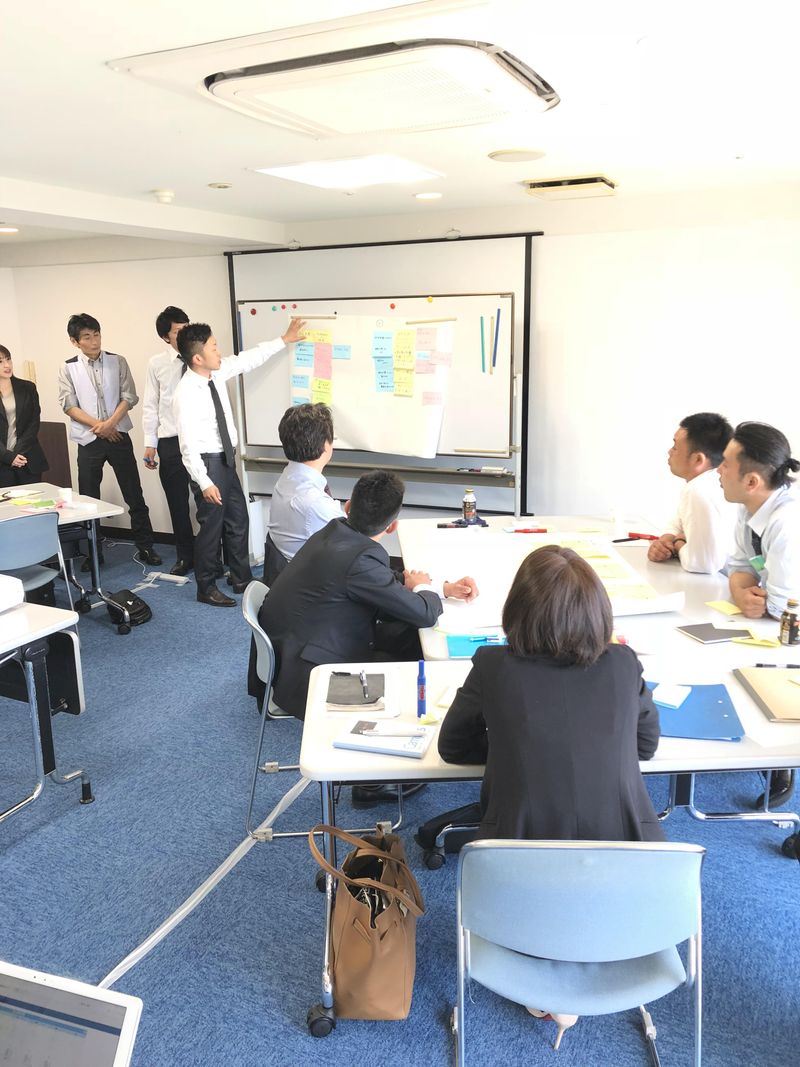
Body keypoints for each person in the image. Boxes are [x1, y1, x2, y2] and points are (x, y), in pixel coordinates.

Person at [437, 543, 663, 1050]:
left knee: (535, 869)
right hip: (632, 892)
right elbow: (646, 745)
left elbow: (453, 747)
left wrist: (512, 743)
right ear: (599, 613)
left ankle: (546, 975)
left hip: (516, 891)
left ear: (516, 611)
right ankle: (574, 972)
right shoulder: (624, 664)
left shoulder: (493, 666)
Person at [259, 469, 478, 718]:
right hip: (314, 674)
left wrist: (443, 588)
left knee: (409, 634)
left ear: (348, 507)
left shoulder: (334, 531)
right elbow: (425, 614)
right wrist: (422, 588)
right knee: (419, 647)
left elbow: (380, 579)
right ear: (393, 526)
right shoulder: (360, 560)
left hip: (299, 649)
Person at [173, 319, 306, 606]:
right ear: (198, 358)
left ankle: (241, 578)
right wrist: (204, 482)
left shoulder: (216, 373)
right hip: (207, 464)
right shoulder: (185, 393)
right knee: (211, 528)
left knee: (238, 519)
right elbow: (187, 446)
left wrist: (284, 339)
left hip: (226, 459)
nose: (219, 352)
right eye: (213, 347)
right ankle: (205, 587)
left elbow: (248, 358)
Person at [719, 421, 800, 808]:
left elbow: (785, 608)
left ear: (751, 481)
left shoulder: (787, 522)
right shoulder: (748, 508)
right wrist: (740, 592)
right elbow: (737, 568)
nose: (718, 470)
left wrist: (753, 596)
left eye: (725, 464)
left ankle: (784, 758)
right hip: (776, 619)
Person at [58, 313, 161, 566]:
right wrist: (101, 427)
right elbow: (69, 405)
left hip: (118, 436)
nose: (94, 341)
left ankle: (146, 547)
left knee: (134, 493)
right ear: (74, 341)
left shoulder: (118, 361)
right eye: (87, 337)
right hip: (88, 440)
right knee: (88, 499)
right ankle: (93, 554)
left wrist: (110, 424)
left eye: (97, 335)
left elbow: (130, 396)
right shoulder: (68, 367)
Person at [142, 306, 196, 576]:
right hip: (170, 440)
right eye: (178, 331)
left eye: (187, 328)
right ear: (166, 337)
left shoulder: (200, 357)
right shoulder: (157, 364)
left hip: (199, 439)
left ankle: (212, 556)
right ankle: (185, 556)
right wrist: (149, 443)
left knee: (208, 502)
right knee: (177, 503)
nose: (184, 334)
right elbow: (151, 404)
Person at [265, 402, 344, 584]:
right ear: (326, 445)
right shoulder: (314, 502)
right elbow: (355, 547)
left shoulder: (287, 477)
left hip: (287, 577)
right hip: (311, 585)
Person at [647, 412, 736, 573]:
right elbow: (677, 523)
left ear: (698, 460)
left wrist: (678, 543)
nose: (669, 451)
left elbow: (703, 564)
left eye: (675, 447)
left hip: (722, 581)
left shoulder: (699, 490)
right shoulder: (705, 483)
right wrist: (665, 542)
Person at [0, 344, 49, 488]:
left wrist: (17, 453)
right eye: (0, 361)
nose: (7, 365)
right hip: (2, 461)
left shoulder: (28, 388)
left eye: (8, 359)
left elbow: (34, 422)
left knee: (33, 500)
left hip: (27, 459)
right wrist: (8, 456)